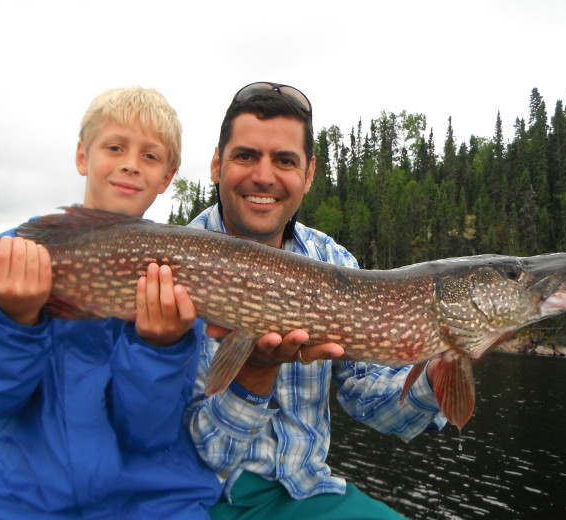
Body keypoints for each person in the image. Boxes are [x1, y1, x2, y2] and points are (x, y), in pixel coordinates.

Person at [0, 86, 221, 519]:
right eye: (115, 147)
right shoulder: (14, 255)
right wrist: (13, 321)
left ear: (167, 177)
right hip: (28, 504)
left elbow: (147, 433)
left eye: (150, 156)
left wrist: (159, 348)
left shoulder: (177, 278)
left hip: (156, 506)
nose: (131, 163)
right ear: (82, 156)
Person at [185, 82, 447, 519]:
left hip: (308, 493)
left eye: (285, 161)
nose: (264, 176)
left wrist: (439, 373)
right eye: (246, 155)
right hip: (199, 498)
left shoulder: (335, 261)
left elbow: (375, 404)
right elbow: (197, 454)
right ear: (217, 163)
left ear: (308, 175)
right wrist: (254, 377)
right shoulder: (167, 266)